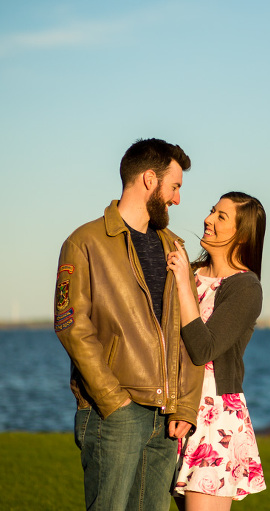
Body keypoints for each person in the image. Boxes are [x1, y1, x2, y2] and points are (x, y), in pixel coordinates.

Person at [54, 138, 205, 511]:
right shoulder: (85, 242)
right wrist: (113, 400)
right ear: (150, 180)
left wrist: (185, 407)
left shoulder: (176, 247)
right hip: (115, 415)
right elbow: (72, 325)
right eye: (175, 186)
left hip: (166, 418)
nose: (178, 199)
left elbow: (189, 330)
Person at [166, 191, 267, 510]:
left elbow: (203, 348)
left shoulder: (245, 287)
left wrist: (183, 283)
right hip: (173, 408)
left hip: (214, 420)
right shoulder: (190, 272)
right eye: (212, 211)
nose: (208, 219)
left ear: (242, 234)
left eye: (221, 216)